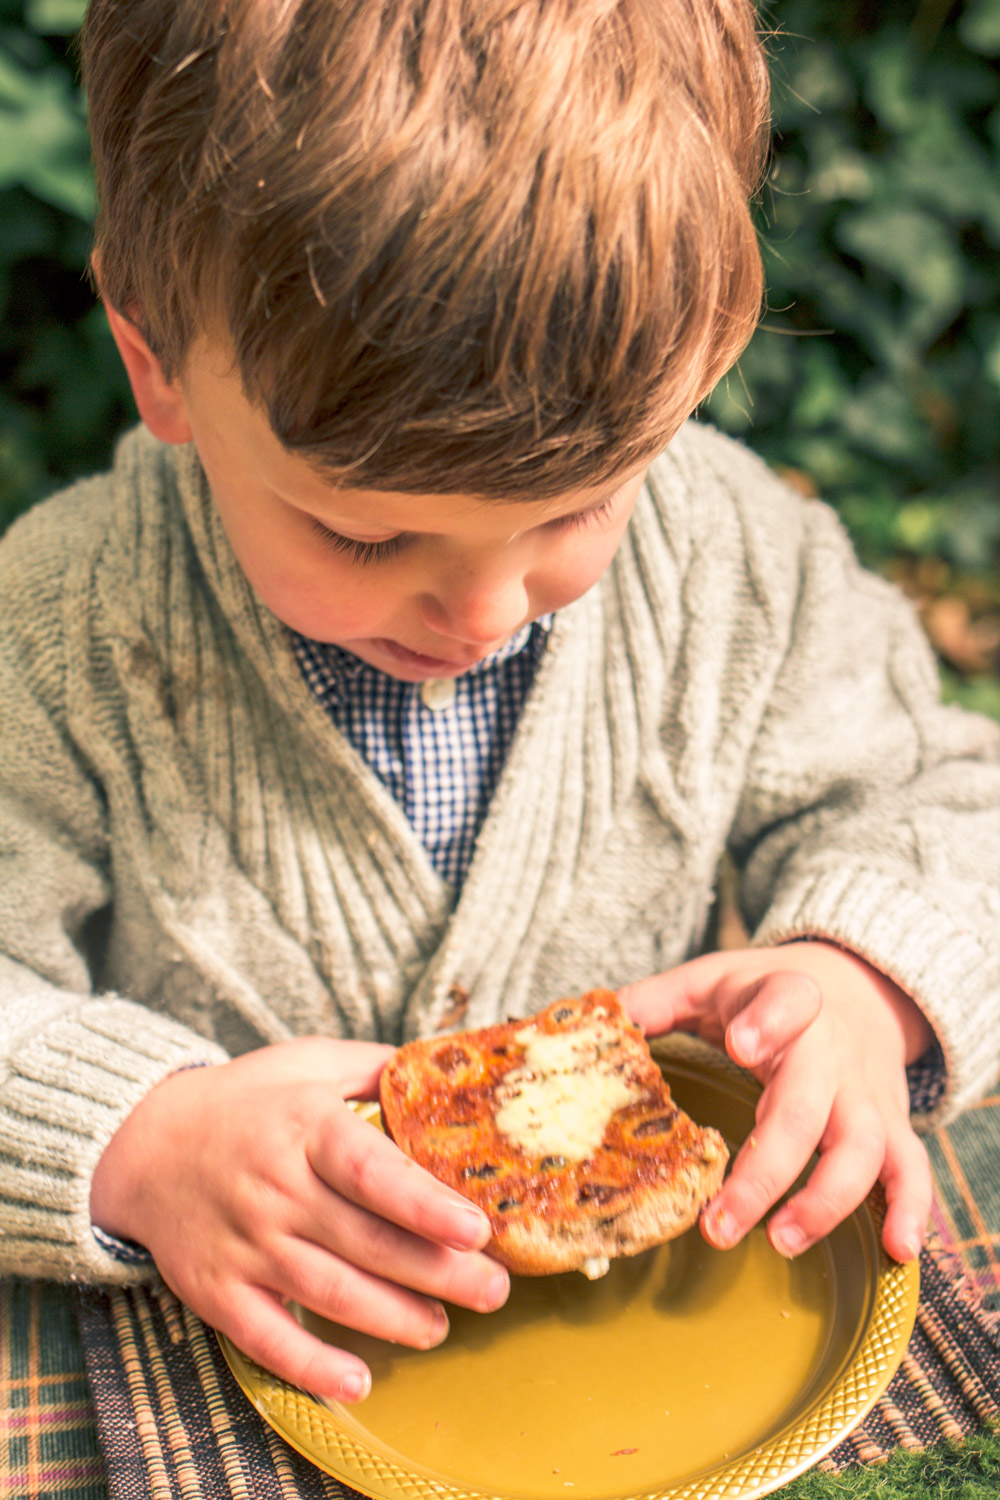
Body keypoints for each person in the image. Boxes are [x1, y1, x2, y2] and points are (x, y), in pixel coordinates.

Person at [0, 0, 997, 1410]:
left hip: (648, 1370)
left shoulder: (734, 565)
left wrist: (867, 978)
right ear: (156, 358)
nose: (483, 611)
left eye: (579, 510)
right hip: (218, 1374)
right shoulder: (58, 631)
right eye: (363, 537)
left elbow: (947, 805)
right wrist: (136, 1139)